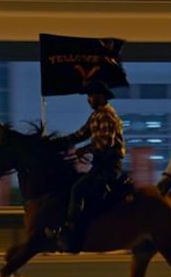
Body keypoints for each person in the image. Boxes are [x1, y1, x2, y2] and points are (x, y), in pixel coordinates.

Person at [48, 80, 125, 252]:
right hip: (100, 165)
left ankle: (71, 232)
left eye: (91, 95)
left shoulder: (106, 115)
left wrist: (84, 149)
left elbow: (105, 143)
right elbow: (79, 134)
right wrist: (56, 143)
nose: (88, 99)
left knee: (78, 189)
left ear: (101, 96)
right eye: (88, 96)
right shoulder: (96, 116)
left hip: (109, 167)